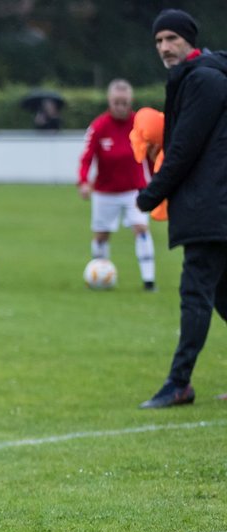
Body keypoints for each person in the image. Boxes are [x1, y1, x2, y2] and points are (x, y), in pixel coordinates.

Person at [134, 9, 227, 409]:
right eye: (158, 41)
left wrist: (150, 194)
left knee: (195, 295)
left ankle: (179, 383)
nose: (165, 48)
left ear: (190, 39)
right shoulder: (201, 76)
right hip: (215, 204)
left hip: (211, 207)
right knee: (223, 298)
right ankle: (179, 382)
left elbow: (186, 149)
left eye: (172, 38)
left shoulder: (203, 79)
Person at [77, 79, 157, 292]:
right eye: (116, 102)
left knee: (141, 228)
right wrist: (83, 181)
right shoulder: (98, 126)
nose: (120, 107)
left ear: (130, 101)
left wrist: (157, 180)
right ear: (109, 101)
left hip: (134, 190)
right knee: (102, 235)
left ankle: (149, 281)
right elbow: (86, 158)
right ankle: (99, 275)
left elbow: (151, 156)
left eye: (124, 102)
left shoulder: (140, 125)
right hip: (105, 192)